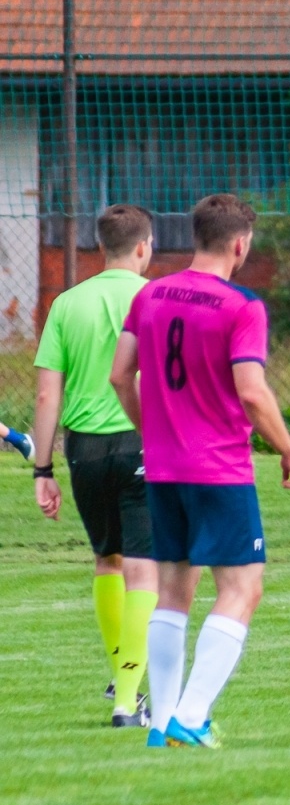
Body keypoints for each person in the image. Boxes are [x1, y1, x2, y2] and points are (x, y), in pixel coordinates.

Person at [110, 194, 290, 748]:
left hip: (165, 468)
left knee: (173, 592)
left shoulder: (149, 295)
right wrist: (289, 451)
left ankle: (162, 723)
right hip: (217, 467)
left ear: (194, 235)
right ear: (240, 244)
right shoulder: (241, 305)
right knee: (243, 588)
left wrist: (152, 430)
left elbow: (120, 375)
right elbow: (252, 391)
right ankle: (191, 717)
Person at [32, 204, 157, 728]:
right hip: (142, 442)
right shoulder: (157, 298)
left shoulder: (66, 302)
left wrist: (42, 471)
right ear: (145, 247)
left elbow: (44, 395)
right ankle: (128, 701)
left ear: (99, 247)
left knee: (107, 560)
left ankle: (120, 677)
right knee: (144, 568)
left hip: (82, 450)